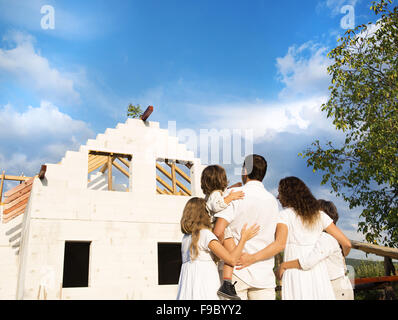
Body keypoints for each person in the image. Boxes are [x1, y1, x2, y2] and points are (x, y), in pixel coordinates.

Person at [213, 154, 280, 300]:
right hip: (263, 275)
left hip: (234, 273)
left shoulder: (234, 195)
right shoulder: (272, 202)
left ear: (244, 171)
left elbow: (218, 232)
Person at [176, 197, 259, 300]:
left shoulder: (186, 238)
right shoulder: (205, 234)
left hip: (189, 287)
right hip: (205, 285)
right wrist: (243, 239)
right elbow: (232, 260)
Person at [277, 199, 354, 300]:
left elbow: (308, 261)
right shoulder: (329, 237)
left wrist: (284, 266)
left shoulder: (325, 238)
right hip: (337, 286)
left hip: (336, 289)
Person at [200, 165, 245, 300]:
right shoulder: (215, 195)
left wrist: (231, 190)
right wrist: (231, 197)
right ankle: (226, 284)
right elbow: (217, 205)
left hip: (219, 228)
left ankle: (227, 283)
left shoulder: (212, 194)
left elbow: (218, 199)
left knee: (231, 256)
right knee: (231, 256)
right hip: (222, 229)